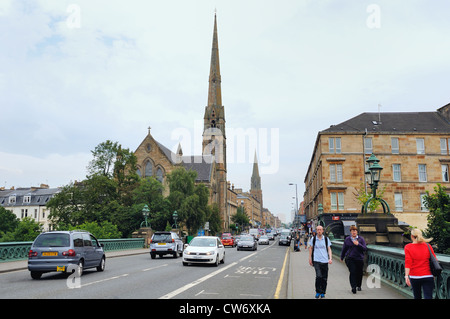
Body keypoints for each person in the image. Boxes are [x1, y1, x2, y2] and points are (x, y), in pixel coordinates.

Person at [404, 228, 436, 299]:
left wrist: (406, 276)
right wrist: (433, 274)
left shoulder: (408, 247)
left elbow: (408, 262)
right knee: (428, 297)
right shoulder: (428, 246)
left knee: (417, 297)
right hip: (428, 275)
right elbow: (434, 259)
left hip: (415, 276)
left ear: (412, 236)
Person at [340, 225, 367, 294]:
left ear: (357, 232)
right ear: (350, 232)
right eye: (352, 231)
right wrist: (342, 257)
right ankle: (353, 287)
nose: (354, 232)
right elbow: (344, 249)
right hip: (350, 258)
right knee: (353, 272)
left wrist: (358, 244)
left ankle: (359, 285)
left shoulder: (361, 239)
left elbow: (364, 249)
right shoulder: (347, 239)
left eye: (355, 231)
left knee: (359, 273)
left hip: (359, 258)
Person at [308, 225, 332, 299]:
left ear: (322, 231)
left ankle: (323, 292)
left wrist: (330, 258)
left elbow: (329, 249)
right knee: (319, 276)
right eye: (318, 229)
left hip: (325, 261)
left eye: (320, 229)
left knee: (324, 278)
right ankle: (318, 291)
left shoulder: (326, 239)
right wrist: (310, 258)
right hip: (316, 261)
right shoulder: (313, 239)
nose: (319, 231)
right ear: (316, 231)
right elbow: (310, 248)